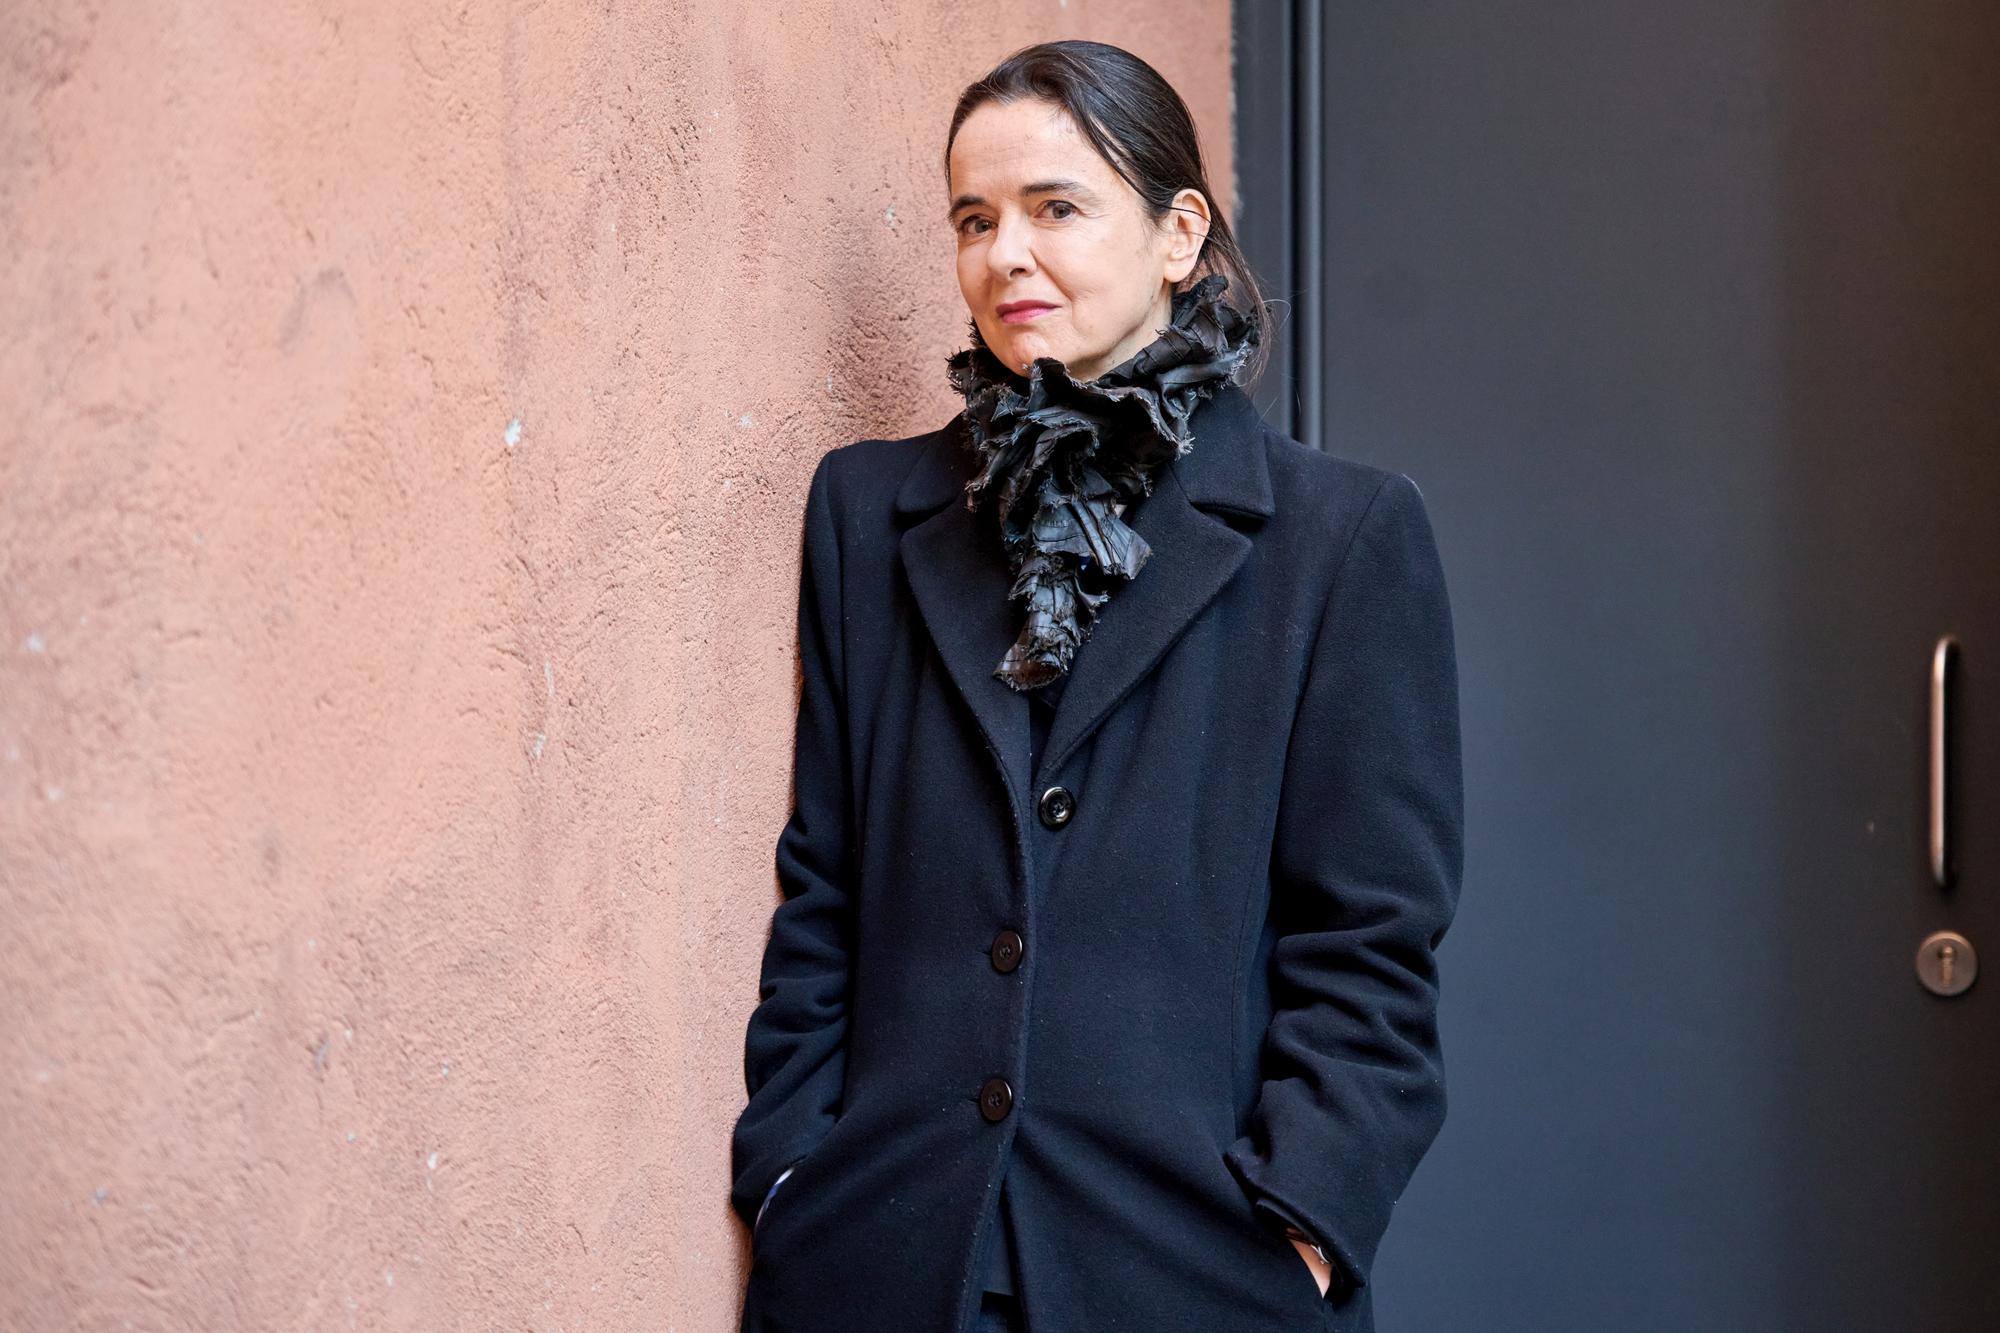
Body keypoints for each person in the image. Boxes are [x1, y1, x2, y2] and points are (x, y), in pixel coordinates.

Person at [731, 39, 1463, 1333]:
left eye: (1055, 207)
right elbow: (826, 880)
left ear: (1179, 234)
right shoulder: (869, 510)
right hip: (886, 1261)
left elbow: (1370, 945)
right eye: (974, 219)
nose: (1005, 254)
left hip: (1195, 1271)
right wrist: (792, 1173)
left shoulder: (1339, 540)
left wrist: (1300, 1220)